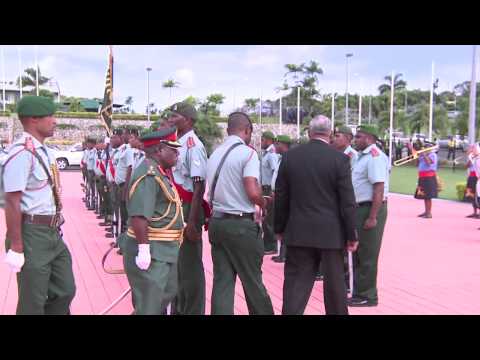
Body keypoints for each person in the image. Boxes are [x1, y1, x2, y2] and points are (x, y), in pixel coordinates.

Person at [274, 115, 358, 315]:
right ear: (329, 134)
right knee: (335, 290)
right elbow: (347, 201)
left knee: (295, 287)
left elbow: (281, 197)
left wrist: (279, 228)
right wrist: (351, 234)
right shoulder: (340, 159)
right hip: (331, 234)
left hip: (298, 231)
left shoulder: (290, 157)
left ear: (309, 132)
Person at [3, 95, 76, 314]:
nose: (55, 121)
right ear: (34, 119)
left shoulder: (44, 151)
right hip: (32, 234)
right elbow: (11, 201)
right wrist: (16, 246)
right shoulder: (22, 154)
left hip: (52, 231)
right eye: (50, 116)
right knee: (32, 300)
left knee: (65, 290)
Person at [206, 112, 274, 315]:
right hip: (241, 226)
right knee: (252, 281)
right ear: (247, 130)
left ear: (228, 130)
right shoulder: (248, 153)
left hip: (218, 223)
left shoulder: (215, 154)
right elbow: (252, 191)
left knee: (222, 283)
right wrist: (264, 202)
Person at [118, 127, 184, 315]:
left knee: (165, 294)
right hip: (153, 250)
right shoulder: (148, 174)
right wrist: (144, 250)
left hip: (164, 249)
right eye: (173, 150)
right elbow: (139, 216)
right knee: (150, 305)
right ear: (160, 150)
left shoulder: (158, 171)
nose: (177, 154)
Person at [166, 102, 209, 315]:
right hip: (177, 208)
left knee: (190, 268)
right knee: (179, 266)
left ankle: (192, 310)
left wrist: (192, 222)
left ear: (189, 120)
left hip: (188, 208)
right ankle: (179, 308)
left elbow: (199, 184)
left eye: (176, 116)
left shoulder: (193, 145)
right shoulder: (178, 143)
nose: (171, 119)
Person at [349, 125, 389, 307]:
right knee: (359, 252)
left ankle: (368, 295)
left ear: (369, 138)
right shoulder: (361, 157)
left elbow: (379, 188)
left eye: (358, 136)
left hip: (370, 208)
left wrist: (373, 217)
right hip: (360, 208)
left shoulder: (374, 157)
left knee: (367, 253)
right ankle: (359, 292)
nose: (355, 139)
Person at [271, 135, 292, 264]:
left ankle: (284, 253)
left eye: (277, 144)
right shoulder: (281, 158)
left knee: (285, 224)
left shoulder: (289, 158)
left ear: (284, 144)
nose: (275, 146)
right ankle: (282, 253)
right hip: (277, 194)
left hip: (284, 195)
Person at [260, 131, 279, 255]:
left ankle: (271, 245)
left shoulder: (271, 154)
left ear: (269, 140)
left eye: (263, 140)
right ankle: (267, 242)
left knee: (269, 218)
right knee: (265, 217)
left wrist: (273, 190)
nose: (261, 142)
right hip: (264, 188)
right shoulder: (266, 153)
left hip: (268, 188)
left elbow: (275, 172)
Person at [114, 128, 135, 233]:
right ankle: (121, 239)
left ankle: (124, 242)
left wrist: (126, 189)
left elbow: (130, 168)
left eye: (125, 134)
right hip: (120, 185)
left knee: (125, 215)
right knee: (121, 213)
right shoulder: (124, 150)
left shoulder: (129, 151)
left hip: (124, 186)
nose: (123, 136)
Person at [413, 144, 438, 219]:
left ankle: (429, 213)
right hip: (422, 177)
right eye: (425, 147)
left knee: (428, 196)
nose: (425, 149)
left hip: (429, 177)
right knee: (424, 195)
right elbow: (416, 164)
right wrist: (417, 155)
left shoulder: (433, 155)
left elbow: (429, 163)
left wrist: (424, 155)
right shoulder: (424, 155)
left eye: (427, 148)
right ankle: (426, 211)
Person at [464, 144, 479, 218]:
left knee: (477, 195)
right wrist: (470, 158)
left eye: (473, 148)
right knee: (472, 194)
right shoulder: (472, 157)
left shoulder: (478, 157)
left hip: (477, 177)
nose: (471, 150)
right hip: (472, 176)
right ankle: (474, 212)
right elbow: (466, 166)